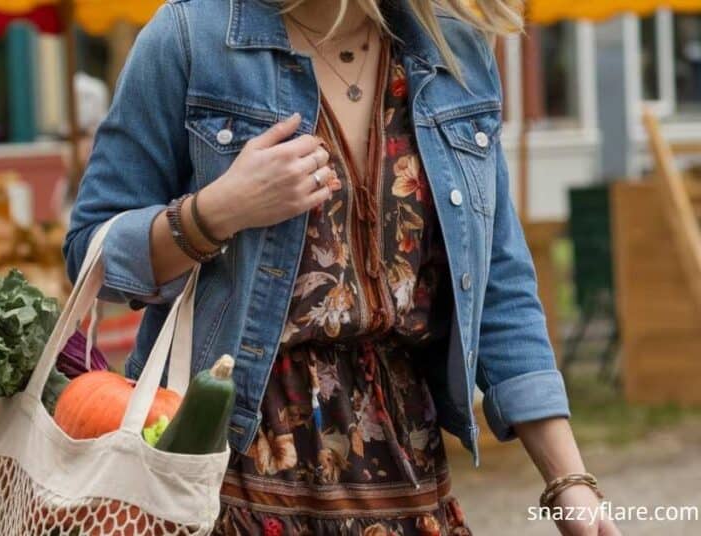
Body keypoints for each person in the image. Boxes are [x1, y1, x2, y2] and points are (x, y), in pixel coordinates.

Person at [64, 0, 620, 534]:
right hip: (229, 472)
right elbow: (92, 254)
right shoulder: (190, 39)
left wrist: (568, 479)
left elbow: (500, 285)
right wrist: (214, 213)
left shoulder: (456, 56)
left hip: (407, 472)